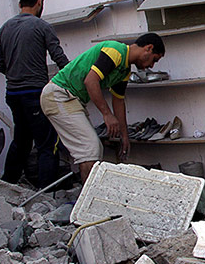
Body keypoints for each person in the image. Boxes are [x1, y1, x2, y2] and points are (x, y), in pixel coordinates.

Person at [40, 33, 165, 183]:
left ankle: (89, 194)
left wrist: (124, 136)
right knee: (90, 148)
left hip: (70, 99)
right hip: (58, 95)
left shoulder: (124, 71)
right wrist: (107, 115)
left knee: (93, 149)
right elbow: (91, 81)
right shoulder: (115, 50)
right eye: (154, 60)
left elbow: (118, 101)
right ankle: (87, 199)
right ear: (148, 48)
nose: (151, 66)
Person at [0, 0, 69, 188]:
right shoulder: (41, 26)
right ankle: (47, 191)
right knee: (47, 143)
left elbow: (0, 66)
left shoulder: (4, 28)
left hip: (13, 93)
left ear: (20, 4)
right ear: (40, 2)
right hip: (35, 93)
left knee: (21, 141)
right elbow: (59, 58)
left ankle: (6, 184)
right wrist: (75, 77)